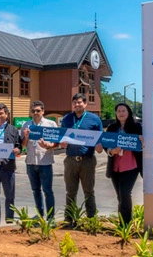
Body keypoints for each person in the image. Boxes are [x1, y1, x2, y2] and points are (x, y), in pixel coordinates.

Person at [99, 103, 144, 224]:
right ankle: (123, 222)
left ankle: (126, 224)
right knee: (120, 196)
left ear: (128, 112)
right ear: (116, 114)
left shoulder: (137, 127)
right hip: (115, 167)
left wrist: (142, 142)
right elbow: (105, 144)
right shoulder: (112, 128)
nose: (121, 113)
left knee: (125, 194)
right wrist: (111, 151)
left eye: (123, 111)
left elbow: (143, 146)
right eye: (118, 111)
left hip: (131, 166)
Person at [60, 93, 103, 221]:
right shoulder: (67, 119)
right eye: (74, 103)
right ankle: (68, 218)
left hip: (87, 160)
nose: (77, 105)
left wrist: (100, 146)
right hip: (70, 160)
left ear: (85, 104)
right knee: (70, 192)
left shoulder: (94, 119)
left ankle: (91, 218)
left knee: (89, 191)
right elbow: (62, 137)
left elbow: (100, 138)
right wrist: (62, 143)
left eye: (79, 102)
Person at [21, 101, 59, 222]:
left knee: (47, 191)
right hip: (31, 163)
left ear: (43, 111)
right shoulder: (26, 125)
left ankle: (51, 216)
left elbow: (57, 144)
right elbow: (22, 145)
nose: (35, 113)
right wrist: (26, 136)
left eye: (38, 110)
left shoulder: (51, 124)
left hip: (45, 163)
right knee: (35, 190)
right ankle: (40, 215)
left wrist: (47, 145)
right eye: (33, 111)